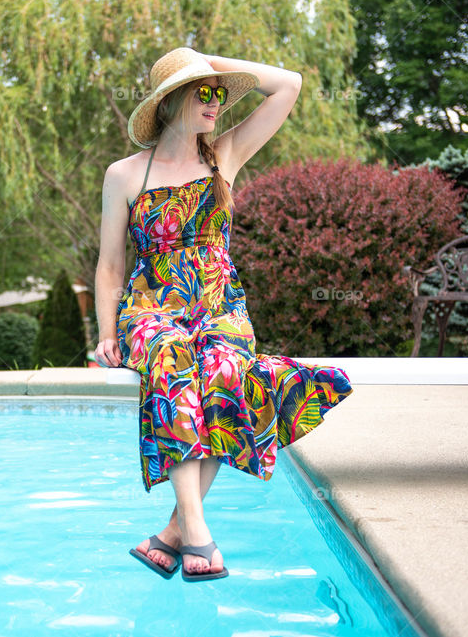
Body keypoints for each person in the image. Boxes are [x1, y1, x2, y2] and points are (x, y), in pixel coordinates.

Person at [94, 47, 354, 582]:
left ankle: (172, 534)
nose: (215, 103)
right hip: (151, 307)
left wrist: (208, 63)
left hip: (219, 305)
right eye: (202, 92)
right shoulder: (123, 175)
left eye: (219, 94)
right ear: (170, 102)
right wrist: (105, 333)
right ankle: (197, 533)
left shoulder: (225, 156)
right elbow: (110, 265)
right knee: (170, 364)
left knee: (225, 373)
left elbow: (290, 83)